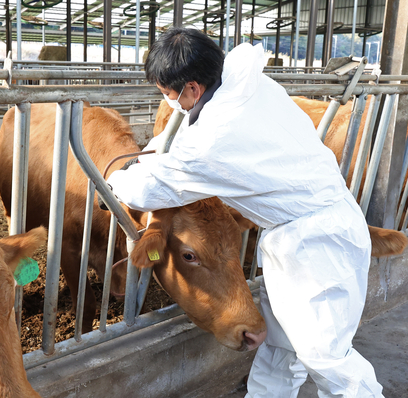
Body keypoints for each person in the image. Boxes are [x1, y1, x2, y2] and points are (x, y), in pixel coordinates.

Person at [106, 27, 384, 397]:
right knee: (281, 344)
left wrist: (113, 181)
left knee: (325, 355)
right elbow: (178, 144)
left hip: (319, 241)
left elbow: (151, 188)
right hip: (293, 235)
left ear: (191, 89)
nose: (169, 103)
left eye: (168, 94)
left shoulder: (215, 140)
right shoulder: (247, 85)